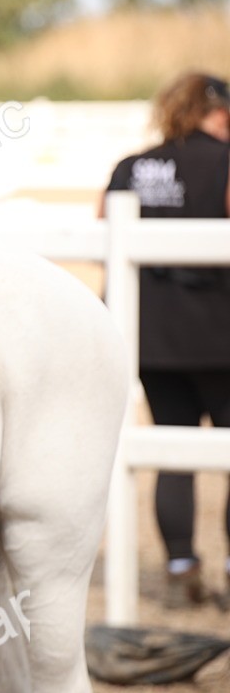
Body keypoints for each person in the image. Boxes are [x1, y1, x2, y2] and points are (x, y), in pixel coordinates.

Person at [104, 72, 230, 611]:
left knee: (170, 450)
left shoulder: (132, 167)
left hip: (151, 335)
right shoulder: (226, 161)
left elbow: (102, 230)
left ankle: (181, 569)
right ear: (219, 112)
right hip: (220, 334)